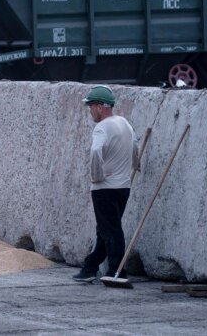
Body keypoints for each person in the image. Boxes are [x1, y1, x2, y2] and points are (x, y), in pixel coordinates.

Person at [73, 85, 139, 283]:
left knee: (111, 230)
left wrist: (96, 176)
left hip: (105, 188)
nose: (90, 111)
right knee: (105, 229)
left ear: (100, 107)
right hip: (123, 187)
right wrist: (136, 165)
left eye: (91, 106)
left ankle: (117, 271)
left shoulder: (101, 127)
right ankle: (90, 268)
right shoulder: (124, 122)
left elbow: (95, 152)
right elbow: (135, 144)